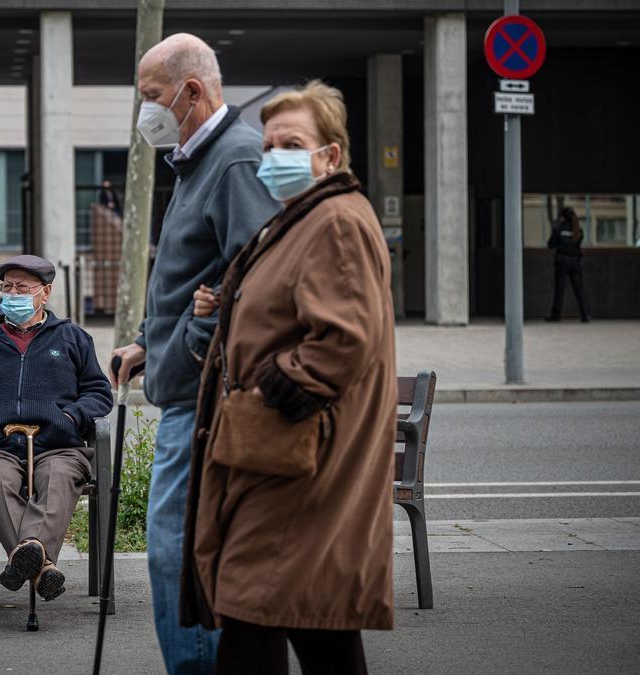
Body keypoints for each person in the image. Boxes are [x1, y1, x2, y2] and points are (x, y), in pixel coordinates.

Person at [183, 80, 396, 674]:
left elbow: (343, 338)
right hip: (284, 458)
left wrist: (273, 391)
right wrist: (226, 308)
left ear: (329, 155)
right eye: (270, 143)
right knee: (305, 618)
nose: (274, 156)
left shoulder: (335, 221)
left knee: (258, 610)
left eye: (292, 143)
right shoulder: (301, 218)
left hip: (297, 461)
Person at [109, 32, 281, 674]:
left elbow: (253, 282)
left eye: (150, 96)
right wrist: (151, 345)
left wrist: (187, 345)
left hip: (203, 399)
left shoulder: (234, 160)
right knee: (178, 549)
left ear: (190, 91)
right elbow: (196, 274)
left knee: (176, 552)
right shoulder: (196, 158)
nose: (144, 112)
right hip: (184, 384)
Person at [0, 255, 112, 603]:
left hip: (58, 444)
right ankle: (43, 568)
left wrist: (71, 417)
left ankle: (28, 557)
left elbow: (99, 394)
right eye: (6, 287)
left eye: (22, 288)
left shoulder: (72, 338)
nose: (13, 294)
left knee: (59, 475)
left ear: (45, 293)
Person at [546, 206, 591, 322]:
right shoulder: (578, 230)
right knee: (579, 289)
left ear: (562, 217)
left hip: (562, 261)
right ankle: (585, 315)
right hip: (575, 262)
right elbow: (579, 243)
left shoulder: (558, 229)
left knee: (560, 290)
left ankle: (556, 315)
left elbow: (550, 245)